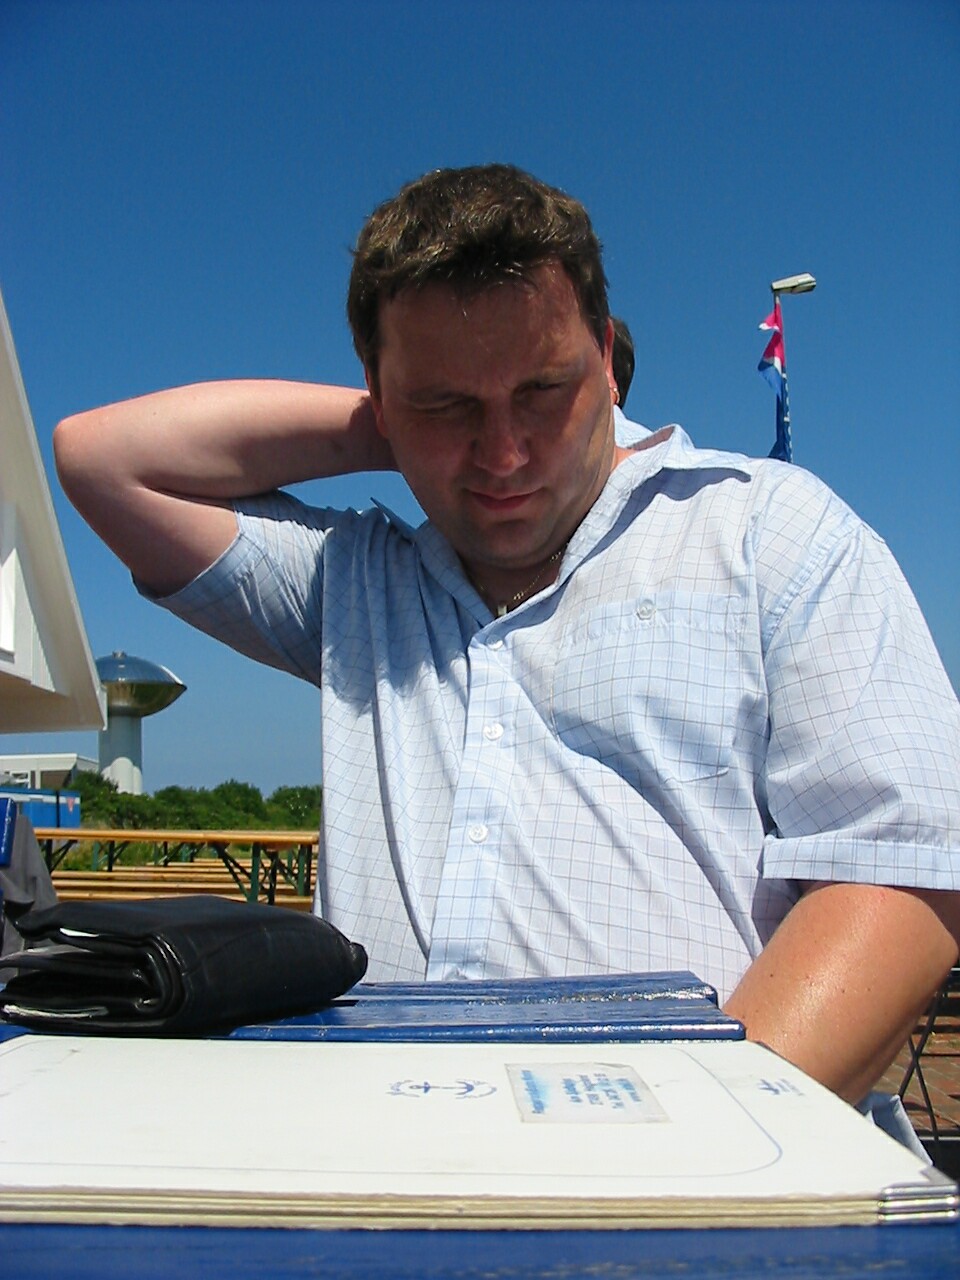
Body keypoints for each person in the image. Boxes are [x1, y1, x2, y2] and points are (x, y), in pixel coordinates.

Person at [54, 163, 960, 1109]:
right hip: (379, 1148)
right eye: (447, 406)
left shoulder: (771, 532)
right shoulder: (351, 580)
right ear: (379, 400)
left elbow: (901, 870)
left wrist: (706, 1140)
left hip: (700, 1155)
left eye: (543, 388)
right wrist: (398, 423)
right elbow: (101, 459)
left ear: (607, 361)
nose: (503, 455)